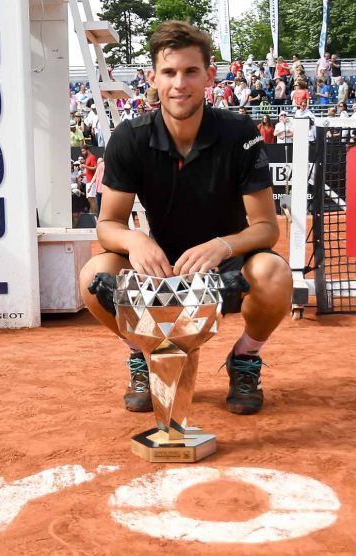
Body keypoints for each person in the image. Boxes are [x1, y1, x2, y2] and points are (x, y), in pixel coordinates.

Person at [78, 21, 291, 416]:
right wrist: (137, 241)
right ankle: (143, 355)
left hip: (226, 264)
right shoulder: (129, 137)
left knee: (274, 274)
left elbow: (266, 227)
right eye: (169, 72)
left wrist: (222, 245)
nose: (180, 83)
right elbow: (108, 224)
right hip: (160, 266)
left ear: (209, 76)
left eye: (191, 71)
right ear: (153, 78)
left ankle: (245, 358)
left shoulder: (238, 132)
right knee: (94, 275)